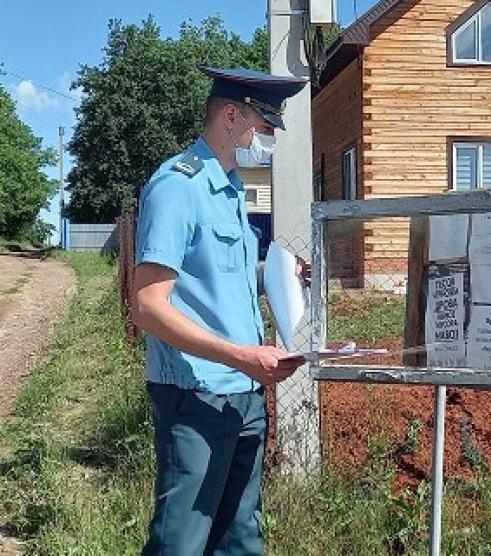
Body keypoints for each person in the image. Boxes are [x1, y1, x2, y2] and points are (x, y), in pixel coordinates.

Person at [132, 66, 307, 555]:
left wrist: (276, 276)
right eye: (266, 127)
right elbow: (147, 306)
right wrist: (237, 356)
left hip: (245, 395)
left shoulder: (229, 188)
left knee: (240, 540)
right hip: (197, 396)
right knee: (182, 542)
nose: (269, 140)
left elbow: (214, 277)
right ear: (232, 115)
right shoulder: (177, 185)